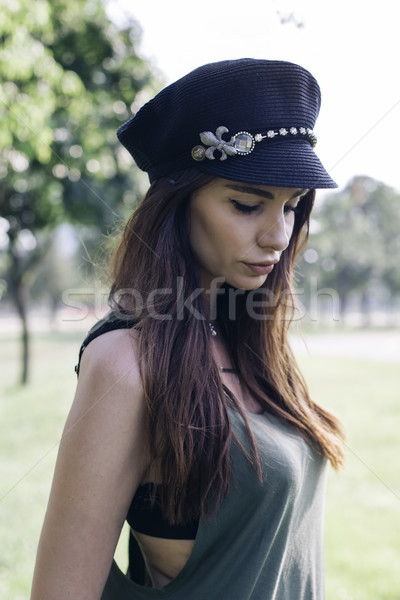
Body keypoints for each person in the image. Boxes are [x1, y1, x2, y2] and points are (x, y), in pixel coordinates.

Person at [31, 58, 344, 600]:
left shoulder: (247, 345)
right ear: (177, 206)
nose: (278, 234)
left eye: (292, 206)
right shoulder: (125, 364)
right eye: (247, 204)